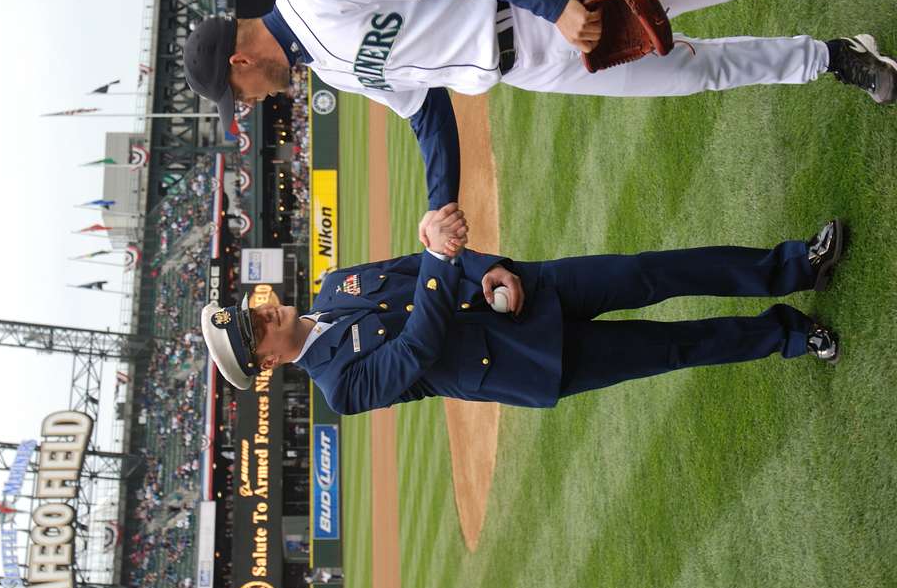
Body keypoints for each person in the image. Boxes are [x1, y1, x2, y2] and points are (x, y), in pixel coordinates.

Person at [183, 0, 897, 241]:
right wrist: (441, 205)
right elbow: (426, 107)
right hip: (526, 65)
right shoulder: (326, 68)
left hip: (530, 0)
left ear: (239, 63)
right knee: (691, 72)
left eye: (237, 96)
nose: (249, 105)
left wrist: (553, 5)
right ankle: (834, 58)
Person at [201, 205, 844, 415]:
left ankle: (798, 266)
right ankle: (790, 336)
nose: (264, 314)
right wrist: (442, 257)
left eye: (252, 307)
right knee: (672, 348)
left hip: (528, 291)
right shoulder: (340, 386)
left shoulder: (334, 284)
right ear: (264, 362)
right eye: (255, 329)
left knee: (655, 271)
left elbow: (419, 261)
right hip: (522, 359)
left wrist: (490, 267)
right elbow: (417, 348)